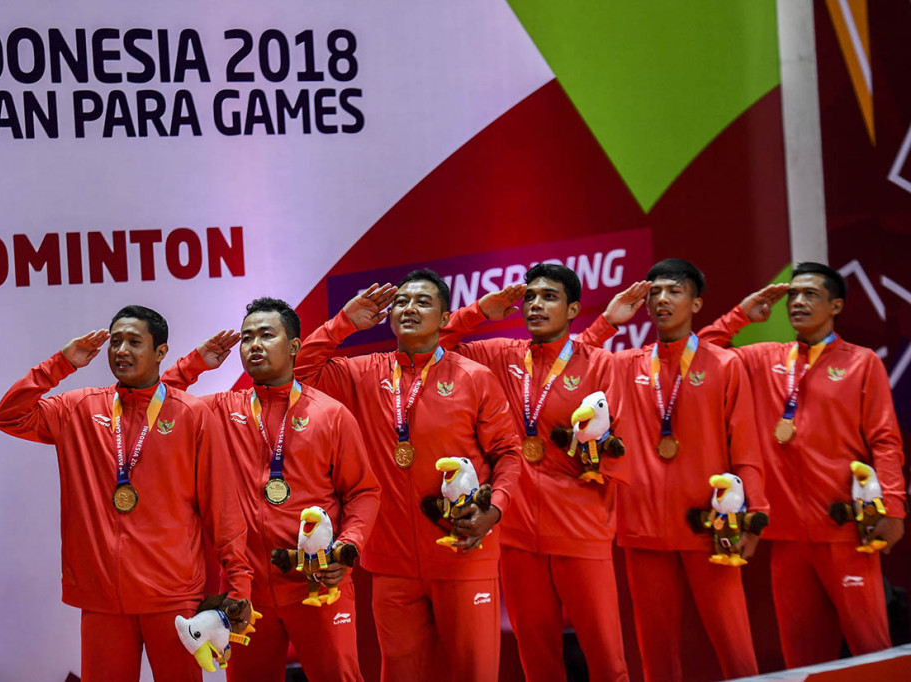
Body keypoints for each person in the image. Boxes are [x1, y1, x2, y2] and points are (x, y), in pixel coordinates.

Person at [0, 305, 251, 682]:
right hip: (103, 599)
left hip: (173, 596)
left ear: (160, 352)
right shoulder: (78, 408)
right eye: (115, 342)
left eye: (134, 341)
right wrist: (60, 364)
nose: (121, 350)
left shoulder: (191, 414)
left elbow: (222, 507)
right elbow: (8, 416)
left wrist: (239, 583)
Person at [294, 269, 521, 682]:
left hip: (463, 551)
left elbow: (508, 453)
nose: (408, 309)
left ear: (445, 316)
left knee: (474, 673)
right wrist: (343, 322)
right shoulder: (362, 374)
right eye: (400, 302)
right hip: (391, 562)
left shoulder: (474, 377)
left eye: (422, 302)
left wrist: (497, 511)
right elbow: (300, 373)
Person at [435, 263, 641, 682]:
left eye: (549, 297)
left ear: (573, 309)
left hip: (581, 530)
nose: (536, 305)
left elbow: (621, 446)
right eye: (530, 297)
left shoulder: (602, 364)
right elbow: (433, 346)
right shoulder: (500, 355)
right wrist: (478, 310)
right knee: (537, 661)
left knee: (607, 660)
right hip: (515, 534)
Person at [697, 262, 906, 667]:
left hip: (846, 531)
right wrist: (741, 314)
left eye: (810, 294)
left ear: (836, 305)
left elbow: (885, 441)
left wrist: (893, 508)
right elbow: (701, 357)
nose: (798, 301)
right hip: (787, 536)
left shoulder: (862, 363)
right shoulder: (763, 359)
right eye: (792, 295)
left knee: (873, 653)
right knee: (804, 662)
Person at [161, 297, 381, 682]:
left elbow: (363, 492)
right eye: (247, 338)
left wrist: (346, 550)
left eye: (266, 335)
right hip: (246, 589)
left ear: (294, 346)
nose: (254, 345)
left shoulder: (329, 413)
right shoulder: (217, 411)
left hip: (317, 581)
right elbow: (158, 407)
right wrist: (194, 364)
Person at [581, 259, 767, 681]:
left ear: (696, 302)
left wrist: (754, 516)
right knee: (656, 655)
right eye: (655, 293)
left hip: (710, 522)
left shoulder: (724, 365)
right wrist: (609, 321)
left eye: (675, 291)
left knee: (736, 649)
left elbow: (747, 449)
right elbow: (574, 365)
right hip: (643, 527)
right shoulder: (624, 364)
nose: (662, 300)